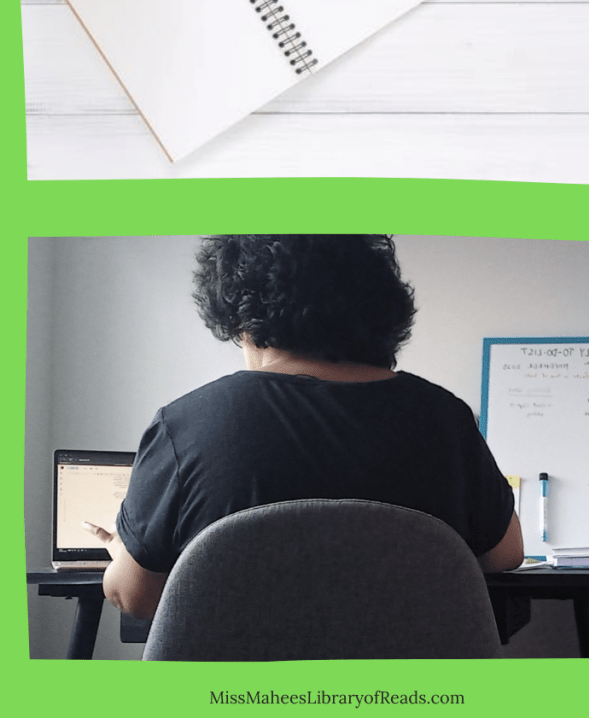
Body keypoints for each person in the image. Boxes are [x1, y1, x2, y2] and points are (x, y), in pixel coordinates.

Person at [85, 234, 523, 620]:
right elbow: (505, 555)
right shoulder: (445, 418)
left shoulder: (187, 425)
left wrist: (123, 553)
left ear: (243, 321)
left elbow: (134, 596)